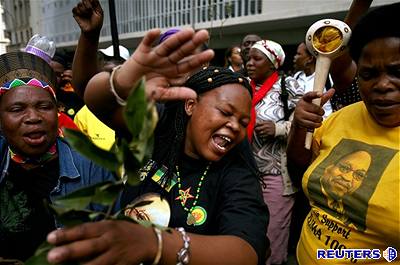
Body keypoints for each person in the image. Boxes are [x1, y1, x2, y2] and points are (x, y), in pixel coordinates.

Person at [45, 3, 269, 264]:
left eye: (243, 122)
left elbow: (246, 251)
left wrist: (156, 243)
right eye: (225, 112)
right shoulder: (156, 129)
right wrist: (120, 81)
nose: (235, 126)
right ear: (190, 105)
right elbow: (92, 95)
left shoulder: (235, 173)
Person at [286, 2, 400, 264]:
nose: (382, 85)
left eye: (397, 72)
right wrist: (299, 127)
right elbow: (298, 170)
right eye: (369, 74)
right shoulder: (340, 116)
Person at [0, 50, 116, 261]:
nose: (33, 117)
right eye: (17, 109)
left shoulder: (93, 167)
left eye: (44, 106)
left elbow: (113, 245)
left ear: (58, 112)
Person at [246, 39, 303, 265]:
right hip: (244, 173)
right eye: (248, 58)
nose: (249, 63)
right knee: (249, 230)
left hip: (276, 174)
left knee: (273, 233)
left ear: (273, 63)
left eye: (256, 59)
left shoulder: (288, 87)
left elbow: (311, 123)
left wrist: (278, 128)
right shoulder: (241, 86)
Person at [293, 42, 333, 119]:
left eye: (298, 54)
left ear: (310, 59)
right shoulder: (296, 77)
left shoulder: (327, 78)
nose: (295, 57)